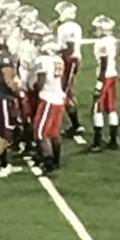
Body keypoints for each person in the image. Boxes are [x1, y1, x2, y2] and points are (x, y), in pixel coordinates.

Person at [0, 31, 22, 177]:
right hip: (4, 99)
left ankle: (5, 164)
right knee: (5, 135)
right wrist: (20, 93)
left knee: (5, 133)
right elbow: (9, 80)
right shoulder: (5, 59)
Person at [33, 37, 66, 173]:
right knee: (54, 132)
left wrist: (34, 87)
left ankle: (48, 161)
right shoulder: (59, 60)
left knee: (40, 133)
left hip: (48, 99)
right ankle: (56, 160)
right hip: (58, 98)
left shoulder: (43, 60)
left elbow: (41, 81)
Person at [89, 14, 119, 152]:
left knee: (97, 107)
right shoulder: (112, 40)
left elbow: (103, 63)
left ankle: (97, 141)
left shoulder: (101, 43)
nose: (96, 29)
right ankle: (113, 140)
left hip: (105, 76)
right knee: (111, 107)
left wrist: (99, 83)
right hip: (113, 74)